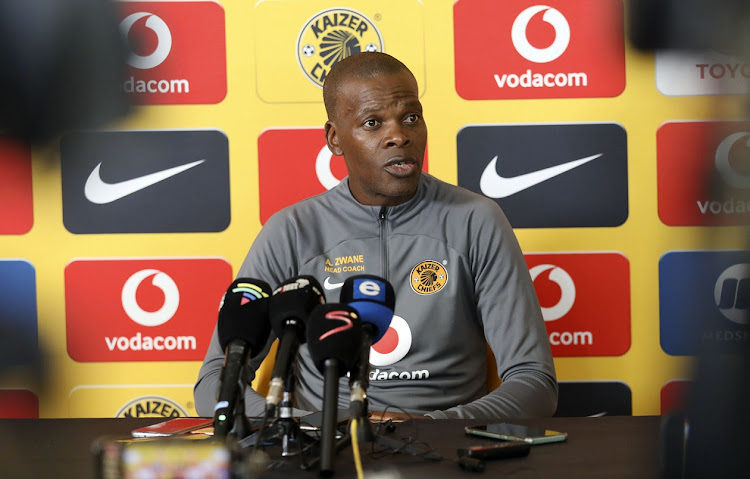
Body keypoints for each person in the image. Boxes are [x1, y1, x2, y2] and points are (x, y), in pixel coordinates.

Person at [194, 52, 557, 421]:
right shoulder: (292, 230)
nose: (398, 136)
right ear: (335, 139)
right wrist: (312, 430)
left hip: (445, 449)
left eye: (411, 118)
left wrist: (427, 429)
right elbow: (214, 385)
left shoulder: (476, 220)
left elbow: (534, 382)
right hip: (322, 452)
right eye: (372, 123)